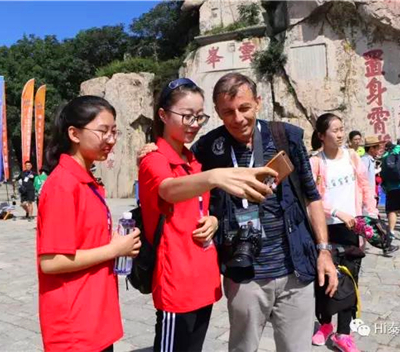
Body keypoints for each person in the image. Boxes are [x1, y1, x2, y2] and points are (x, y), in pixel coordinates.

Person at [138, 73, 337, 352]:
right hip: (244, 273)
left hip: (296, 268)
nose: (238, 118)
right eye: (228, 112)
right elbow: (179, 184)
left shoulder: (285, 137)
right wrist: (152, 146)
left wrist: (324, 251)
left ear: (258, 102)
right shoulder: (207, 149)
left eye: (244, 108)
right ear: (218, 113)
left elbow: (311, 196)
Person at [139, 78, 277, 352]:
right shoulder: (154, 159)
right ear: (163, 115)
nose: (194, 123)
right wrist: (215, 176)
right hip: (175, 283)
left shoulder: (193, 161)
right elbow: (167, 190)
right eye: (186, 116)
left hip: (202, 279)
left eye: (199, 116)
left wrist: (213, 220)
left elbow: (203, 206)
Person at [37, 96, 141, 352]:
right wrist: (116, 249)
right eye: (103, 131)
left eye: (114, 131)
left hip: (94, 314)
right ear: (74, 133)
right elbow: (51, 261)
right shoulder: (63, 185)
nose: (111, 139)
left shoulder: (85, 181)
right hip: (75, 325)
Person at [310, 113, 379, 352]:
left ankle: (344, 333)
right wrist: (338, 212)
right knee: (325, 281)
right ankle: (326, 324)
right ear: (321, 135)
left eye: (342, 129)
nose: (340, 135)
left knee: (351, 280)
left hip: (352, 227)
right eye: (334, 130)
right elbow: (312, 200)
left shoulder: (351, 156)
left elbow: (364, 185)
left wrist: (371, 213)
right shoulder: (315, 162)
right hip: (325, 228)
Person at [361, 135, 383, 204]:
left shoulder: (370, 159)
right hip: (366, 195)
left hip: (371, 193)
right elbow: (363, 176)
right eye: (377, 148)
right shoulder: (365, 159)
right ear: (371, 149)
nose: (378, 150)